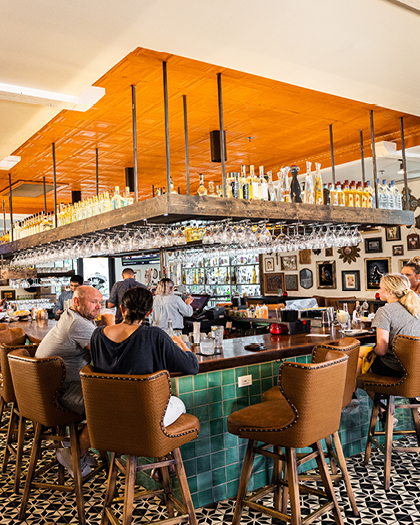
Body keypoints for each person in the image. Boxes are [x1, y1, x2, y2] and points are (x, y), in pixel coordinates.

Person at [90, 286, 199, 426]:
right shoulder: (154, 335)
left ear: (122, 309)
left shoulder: (97, 335)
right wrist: (181, 343)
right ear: (149, 313)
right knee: (177, 403)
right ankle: (158, 445)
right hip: (145, 415)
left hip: (107, 413)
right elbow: (192, 367)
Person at [36, 285, 114, 477]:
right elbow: (110, 354)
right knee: (110, 407)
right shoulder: (78, 324)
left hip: (46, 388)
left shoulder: (72, 317)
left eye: (100, 302)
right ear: (77, 302)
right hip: (59, 392)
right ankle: (76, 452)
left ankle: (73, 446)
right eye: (93, 302)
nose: (98, 306)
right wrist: (111, 325)